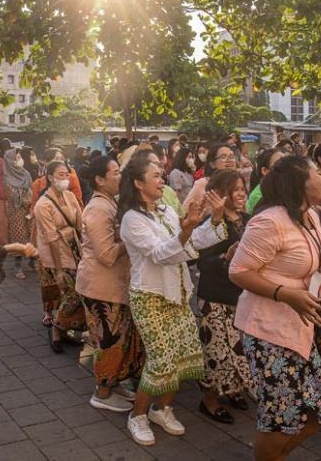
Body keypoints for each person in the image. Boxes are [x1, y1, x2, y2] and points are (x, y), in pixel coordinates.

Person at [229, 156, 321, 461]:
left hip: (306, 328)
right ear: (300, 183)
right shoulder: (269, 221)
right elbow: (238, 271)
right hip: (270, 333)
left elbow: (303, 266)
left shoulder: (310, 216)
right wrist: (285, 294)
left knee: (320, 405)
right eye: (316, 173)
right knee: (280, 418)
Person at [118, 158, 229, 446]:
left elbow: (190, 244)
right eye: (155, 175)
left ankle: (162, 409)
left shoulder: (166, 210)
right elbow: (160, 254)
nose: (162, 179)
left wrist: (214, 219)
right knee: (161, 360)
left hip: (178, 293)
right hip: (151, 297)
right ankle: (138, 415)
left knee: (185, 356)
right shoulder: (132, 219)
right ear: (138, 183)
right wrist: (187, 230)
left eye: (162, 174)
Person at [76, 156, 144, 413]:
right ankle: (102, 392)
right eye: (115, 173)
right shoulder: (98, 208)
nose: (120, 176)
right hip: (100, 287)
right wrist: (134, 239)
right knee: (107, 342)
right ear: (99, 180)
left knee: (118, 339)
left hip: (112, 286)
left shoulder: (109, 203)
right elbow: (105, 255)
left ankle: (113, 385)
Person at [195, 169, 252, 425]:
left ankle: (234, 389)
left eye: (242, 188)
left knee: (241, 349)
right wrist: (224, 258)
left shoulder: (250, 220)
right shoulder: (210, 224)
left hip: (243, 296)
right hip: (215, 296)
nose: (241, 194)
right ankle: (209, 400)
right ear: (219, 195)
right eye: (234, 190)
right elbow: (201, 263)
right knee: (216, 352)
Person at [34, 160, 85, 351]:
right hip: (54, 253)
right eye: (60, 175)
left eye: (67, 174)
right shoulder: (43, 205)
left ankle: (62, 330)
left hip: (74, 249)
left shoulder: (71, 196)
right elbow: (52, 238)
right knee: (72, 293)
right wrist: (58, 270)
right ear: (49, 177)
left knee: (77, 292)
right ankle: (57, 328)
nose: (65, 178)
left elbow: (80, 224)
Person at [182, 143, 236, 215]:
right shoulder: (203, 184)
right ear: (212, 164)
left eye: (232, 157)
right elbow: (185, 212)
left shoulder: (237, 182)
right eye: (223, 157)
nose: (229, 160)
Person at [4, 148, 33, 279]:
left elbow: (31, 189)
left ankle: (33, 261)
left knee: (32, 233)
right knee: (19, 236)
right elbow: (11, 194)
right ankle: (18, 265)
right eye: (17, 158)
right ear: (10, 161)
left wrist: (29, 201)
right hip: (15, 211)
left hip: (29, 208)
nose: (20, 160)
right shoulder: (6, 177)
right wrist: (25, 199)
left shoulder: (26, 173)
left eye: (20, 157)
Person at [246, 147, 285, 214]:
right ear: (264, 170)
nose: (285, 168)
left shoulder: (284, 189)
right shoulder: (258, 196)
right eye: (279, 164)